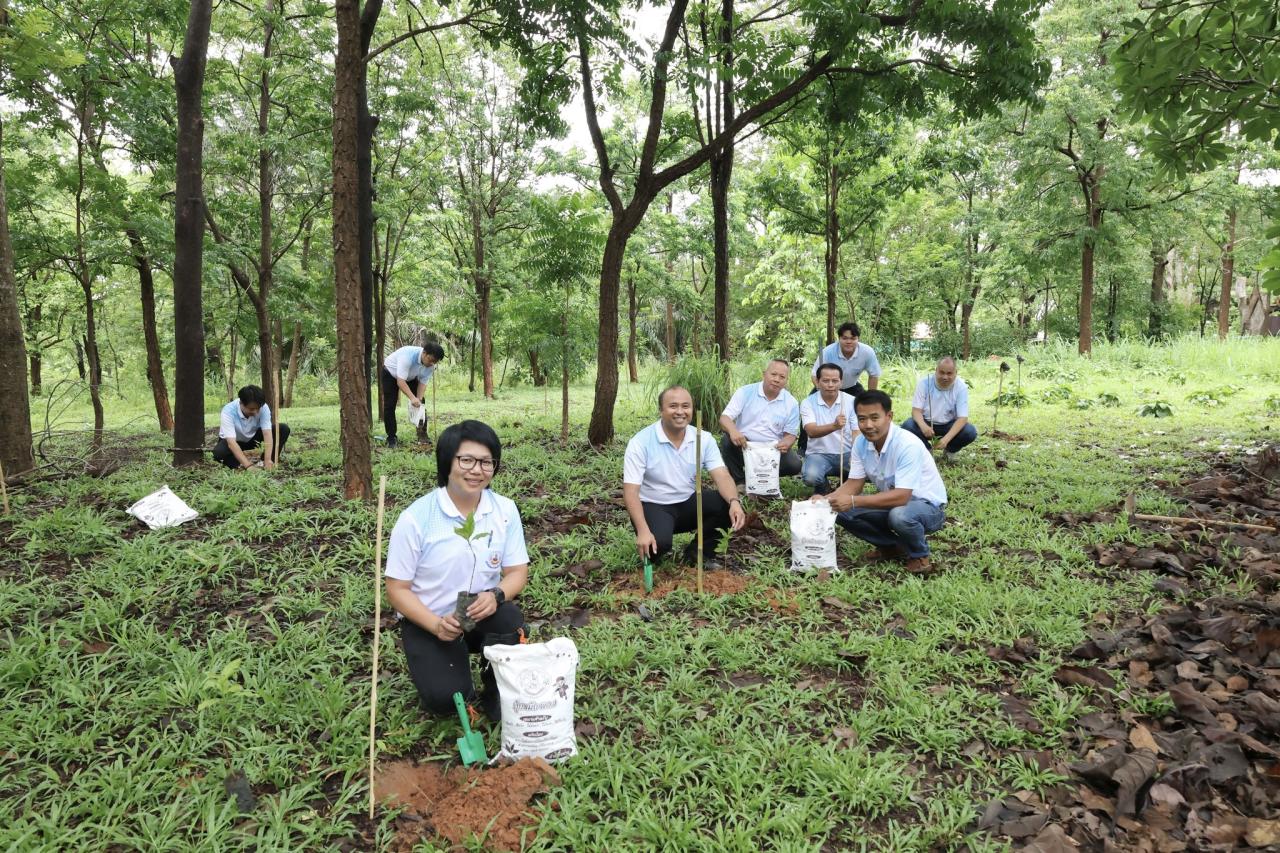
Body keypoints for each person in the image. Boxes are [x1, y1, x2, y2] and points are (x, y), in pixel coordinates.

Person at [384, 420, 527, 722]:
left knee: (509, 618)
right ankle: (449, 664)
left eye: (487, 462)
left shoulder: (504, 510)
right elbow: (396, 589)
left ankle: (496, 687)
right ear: (447, 462)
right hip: (429, 619)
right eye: (467, 460)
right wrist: (436, 625)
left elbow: (517, 572)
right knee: (446, 700)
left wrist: (496, 594)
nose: (477, 470)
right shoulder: (417, 518)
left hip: (477, 610)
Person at [820, 390, 947, 575]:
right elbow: (854, 484)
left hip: (927, 507)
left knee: (900, 516)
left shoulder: (906, 444)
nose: (868, 425)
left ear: (889, 416)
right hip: (892, 504)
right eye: (862, 419)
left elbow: (902, 497)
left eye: (874, 418)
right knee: (837, 510)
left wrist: (854, 501)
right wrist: (825, 500)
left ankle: (919, 554)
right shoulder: (860, 444)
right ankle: (893, 547)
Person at [624, 386, 746, 570]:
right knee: (658, 547)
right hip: (654, 504)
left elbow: (721, 475)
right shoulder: (640, 442)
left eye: (686, 406)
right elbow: (631, 492)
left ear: (692, 409)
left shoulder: (703, 439)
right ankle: (655, 538)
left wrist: (735, 501)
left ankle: (698, 553)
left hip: (688, 502)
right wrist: (642, 531)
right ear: (661, 410)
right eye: (673, 406)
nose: (680, 412)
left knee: (726, 503)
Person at [718, 359, 803, 485]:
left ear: (786, 381)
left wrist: (786, 443)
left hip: (772, 450)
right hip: (745, 445)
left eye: (782, 377)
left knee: (794, 464)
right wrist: (733, 431)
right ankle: (739, 481)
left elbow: (790, 435)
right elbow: (724, 418)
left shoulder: (792, 403)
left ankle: (764, 476)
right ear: (764, 374)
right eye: (773, 374)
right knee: (727, 441)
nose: (777, 379)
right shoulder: (745, 392)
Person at [902, 357, 977, 461]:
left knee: (970, 432)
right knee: (907, 426)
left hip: (949, 425)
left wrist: (946, 439)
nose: (945, 377)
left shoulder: (961, 387)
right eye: (941, 372)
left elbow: (962, 418)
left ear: (956, 372)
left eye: (949, 373)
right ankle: (926, 450)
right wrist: (923, 426)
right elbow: (916, 411)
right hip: (927, 423)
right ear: (936, 370)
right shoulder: (924, 383)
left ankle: (950, 450)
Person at [800, 363, 857, 494]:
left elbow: (856, 432)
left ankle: (845, 487)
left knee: (863, 468)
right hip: (818, 454)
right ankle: (823, 487)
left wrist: (856, 454)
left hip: (846, 453)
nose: (830, 385)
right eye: (825, 381)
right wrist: (834, 426)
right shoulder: (808, 402)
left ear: (841, 382)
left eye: (835, 381)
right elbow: (811, 431)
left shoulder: (852, 401)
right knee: (811, 477)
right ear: (818, 382)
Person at [380, 341, 445, 448]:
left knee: (421, 403)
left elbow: (423, 383)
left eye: (435, 362)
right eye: (431, 360)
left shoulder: (430, 365)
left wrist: (418, 399)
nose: (432, 364)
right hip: (391, 373)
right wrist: (412, 398)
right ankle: (391, 438)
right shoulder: (407, 356)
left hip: (410, 376)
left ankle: (422, 435)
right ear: (424, 353)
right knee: (390, 405)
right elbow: (400, 382)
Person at [212, 385, 289, 470]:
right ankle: (240, 466)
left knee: (283, 429)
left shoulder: (263, 407)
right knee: (218, 453)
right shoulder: (228, 411)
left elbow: (267, 433)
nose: (256, 412)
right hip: (234, 441)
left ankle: (267, 463)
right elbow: (231, 443)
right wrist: (249, 466)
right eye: (252, 409)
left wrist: (268, 459)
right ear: (241, 403)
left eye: (258, 409)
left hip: (252, 438)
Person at [810, 322, 881, 395]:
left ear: (858, 339)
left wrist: (871, 397)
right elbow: (814, 374)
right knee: (810, 403)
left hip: (852, 387)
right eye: (845, 338)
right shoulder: (827, 352)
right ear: (839, 338)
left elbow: (874, 375)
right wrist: (821, 390)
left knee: (865, 404)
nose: (848, 342)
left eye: (853, 338)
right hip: (827, 388)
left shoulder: (867, 352)